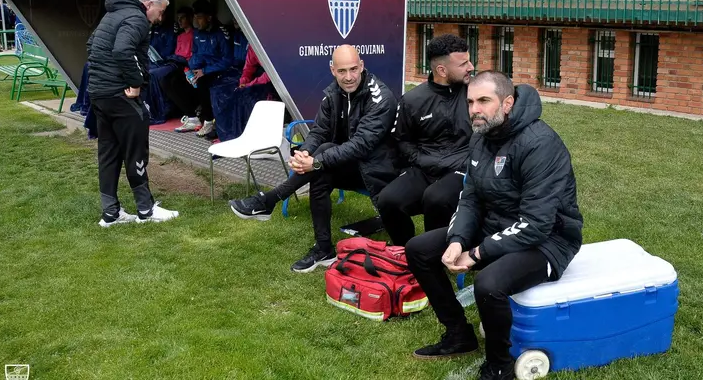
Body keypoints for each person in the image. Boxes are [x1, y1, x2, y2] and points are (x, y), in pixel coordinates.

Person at [405, 71, 583, 380]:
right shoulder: (481, 136)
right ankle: (459, 334)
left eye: (484, 101)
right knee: (419, 249)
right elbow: (470, 198)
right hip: (499, 225)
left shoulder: (539, 144)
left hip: (548, 241)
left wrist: (476, 254)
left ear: (508, 103)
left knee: (488, 283)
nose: (475, 109)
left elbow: (536, 224)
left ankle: (500, 365)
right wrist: (458, 240)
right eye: (471, 101)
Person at [228, 45, 399, 273]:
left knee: (321, 164)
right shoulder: (334, 93)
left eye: (353, 69)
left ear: (362, 66)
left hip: (378, 170)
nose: (348, 77)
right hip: (350, 165)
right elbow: (319, 131)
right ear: (332, 70)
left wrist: (315, 162)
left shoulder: (381, 98)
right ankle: (323, 248)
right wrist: (305, 153)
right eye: (342, 71)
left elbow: (361, 145)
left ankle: (269, 201)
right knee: (321, 172)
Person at [86, 0, 179, 227]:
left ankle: (110, 214)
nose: (160, 19)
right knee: (135, 150)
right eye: (159, 12)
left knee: (108, 153)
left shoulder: (113, 13)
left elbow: (91, 46)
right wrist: (135, 83)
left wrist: (102, 78)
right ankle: (146, 211)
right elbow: (122, 50)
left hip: (99, 93)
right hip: (120, 96)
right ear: (149, 5)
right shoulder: (136, 18)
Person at [377, 33, 473, 247]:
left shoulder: (475, 93)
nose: (471, 67)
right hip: (426, 167)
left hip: (463, 168)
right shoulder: (413, 100)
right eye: (464, 63)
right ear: (441, 70)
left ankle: (434, 255)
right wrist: (420, 160)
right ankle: (407, 249)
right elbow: (401, 140)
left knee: (436, 198)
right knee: (388, 200)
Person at [188, 0, 233, 137]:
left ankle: (208, 121)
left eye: (200, 18)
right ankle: (193, 116)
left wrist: (205, 71)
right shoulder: (197, 33)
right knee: (177, 78)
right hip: (202, 70)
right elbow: (195, 54)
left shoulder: (221, 33)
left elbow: (227, 60)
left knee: (203, 82)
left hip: (220, 71)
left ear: (209, 18)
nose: (197, 21)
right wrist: (192, 69)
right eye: (195, 18)